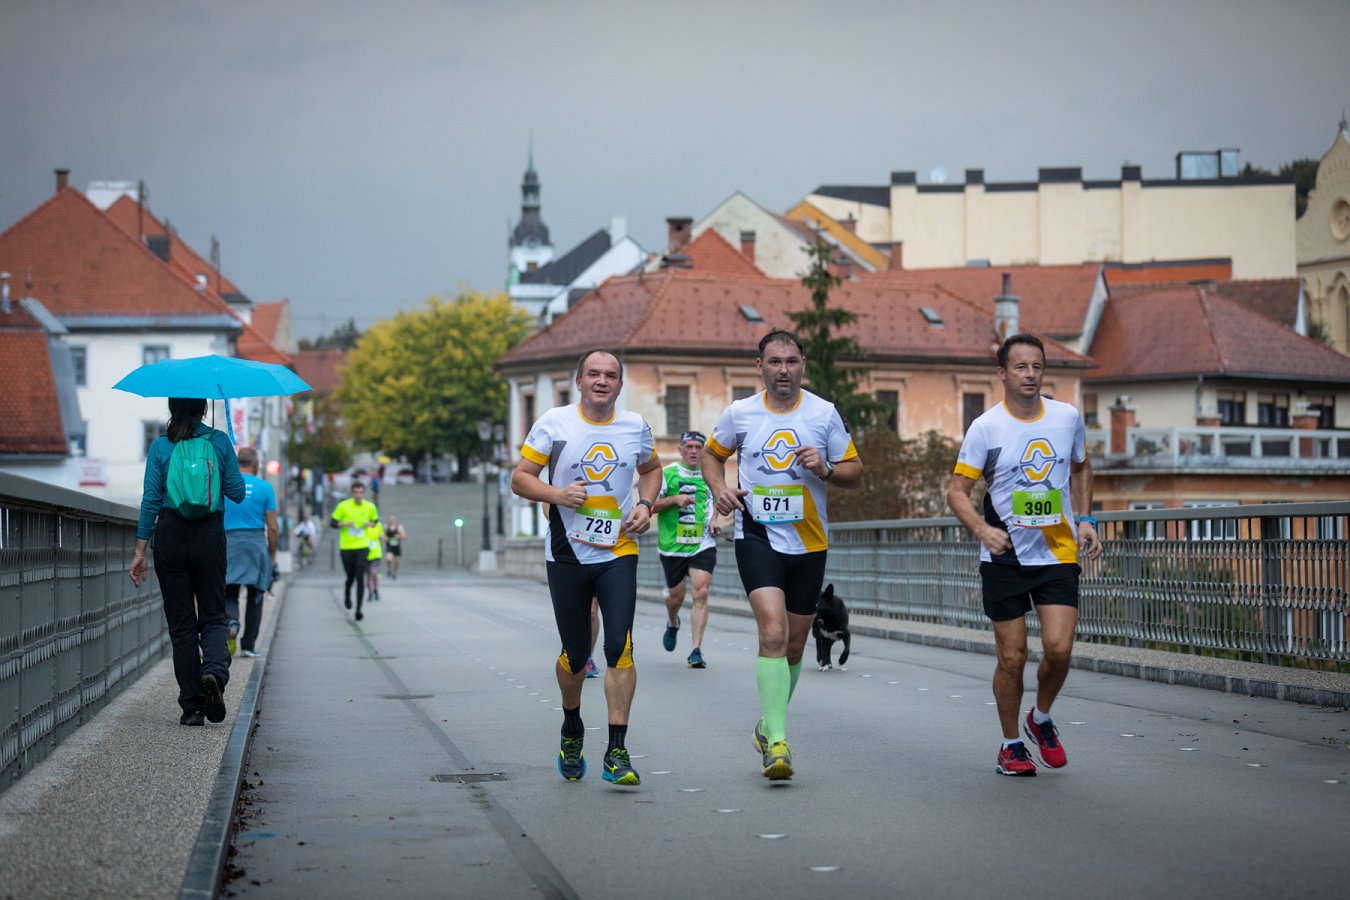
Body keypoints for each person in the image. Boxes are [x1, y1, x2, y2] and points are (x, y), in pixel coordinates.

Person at [703, 330, 862, 780]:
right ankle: (778, 743)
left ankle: (767, 723)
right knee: (772, 631)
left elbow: (855, 472)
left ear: (803, 364)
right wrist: (720, 491)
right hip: (758, 536)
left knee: (794, 644)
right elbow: (712, 458)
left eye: (792, 361)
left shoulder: (823, 414)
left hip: (809, 541)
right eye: (775, 361)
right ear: (760, 367)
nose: (784, 370)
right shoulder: (740, 413)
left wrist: (826, 468)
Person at [946, 332, 1103, 777]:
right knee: (1012, 657)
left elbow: (1082, 464)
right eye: (1020, 367)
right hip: (1006, 555)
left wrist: (1087, 519)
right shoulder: (987, 427)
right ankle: (1011, 743)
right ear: (1003, 373)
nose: (1030, 375)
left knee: (1059, 649)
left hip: (1056, 550)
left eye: (1037, 366)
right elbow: (957, 491)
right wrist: (981, 530)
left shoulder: (1066, 417)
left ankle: (1041, 717)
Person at [510, 349, 662, 787]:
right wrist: (557, 495)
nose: (602, 381)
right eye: (593, 374)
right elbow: (520, 478)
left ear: (619, 383)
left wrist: (645, 504)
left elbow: (652, 470)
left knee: (620, 646)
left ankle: (616, 751)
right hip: (567, 552)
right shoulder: (555, 423)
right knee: (576, 654)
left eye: (610, 375)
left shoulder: (634, 426)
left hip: (619, 549)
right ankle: (572, 726)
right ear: (579, 382)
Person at [129, 397, 245, 726]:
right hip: (208, 536)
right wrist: (226, 460)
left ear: (171, 409)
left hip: (170, 536)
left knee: (182, 627)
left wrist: (140, 550)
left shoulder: (161, 445)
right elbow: (237, 492)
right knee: (212, 616)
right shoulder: (219, 441)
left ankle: (192, 707)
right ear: (203, 409)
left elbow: (151, 498)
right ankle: (214, 674)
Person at [655, 430, 720, 668]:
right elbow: (649, 506)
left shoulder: (710, 475)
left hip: (702, 544)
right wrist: (674, 500)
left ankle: (696, 650)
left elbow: (717, 501)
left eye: (698, 447)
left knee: (701, 592)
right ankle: (673, 622)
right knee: (676, 597)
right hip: (672, 546)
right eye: (689, 447)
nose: (694, 451)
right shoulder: (667, 474)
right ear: (681, 450)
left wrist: (715, 520)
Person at [223, 447, 278, 658]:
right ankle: (248, 645)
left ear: (237, 464)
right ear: (255, 464)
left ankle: (231, 621)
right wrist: (272, 556)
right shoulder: (265, 488)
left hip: (229, 543)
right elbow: (272, 527)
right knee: (256, 593)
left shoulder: (226, 486)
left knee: (229, 590)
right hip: (255, 543)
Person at [330, 481, 380, 621]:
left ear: (364, 493)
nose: (358, 495)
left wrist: (369, 524)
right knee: (350, 577)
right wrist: (345, 524)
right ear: (352, 493)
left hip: (362, 546)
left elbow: (375, 521)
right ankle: (347, 592)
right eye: (355, 492)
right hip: (346, 547)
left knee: (360, 577)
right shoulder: (343, 506)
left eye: (360, 492)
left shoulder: (370, 506)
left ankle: (358, 610)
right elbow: (332, 523)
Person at [364, 517, 383, 601]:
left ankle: (374, 590)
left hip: (376, 552)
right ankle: (371, 592)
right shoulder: (364, 524)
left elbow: (382, 535)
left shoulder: (378, 524)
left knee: (373, 572)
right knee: (369, 575)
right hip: (365, 553)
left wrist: (382, 537)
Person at [384, 515, 407, 579]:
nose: (392, 520)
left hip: (397, 547)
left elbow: (404, 536)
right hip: (389, 546)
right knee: (389, 558)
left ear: (395, 519)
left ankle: (394, 572)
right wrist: (385, 538)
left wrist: (399, 537)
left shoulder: (399, 527)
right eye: (391, 519)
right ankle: (389, 569)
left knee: (397, 561)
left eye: (393, 519)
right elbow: (383, 535)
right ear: (389, 519)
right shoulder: (386, 527)